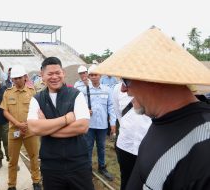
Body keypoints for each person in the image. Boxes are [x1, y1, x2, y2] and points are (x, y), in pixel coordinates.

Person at [94, 26, 210, 190]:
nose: (123, 89)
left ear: (156, 80)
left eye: (126, 80)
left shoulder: (204, 146)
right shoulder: (161, 121)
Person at [27, 57, 94, 190]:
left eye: (58, 73)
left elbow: (83, 126)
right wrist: (66, 119)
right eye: (50, 74)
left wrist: (47, 127)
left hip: (78, 162)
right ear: (42, 75)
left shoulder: (76, 95)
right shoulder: (37, 99)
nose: (55, 77)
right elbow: (34, 128)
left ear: (63, 73)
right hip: (51, 165)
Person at [0, 65, 41, 190]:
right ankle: (11, 185)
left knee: (34, 157)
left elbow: (37, 110)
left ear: (24, 77)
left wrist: (28, 124)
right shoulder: (8, 93)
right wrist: (17, 124)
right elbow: (5, 111)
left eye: (19, 78)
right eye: (14, 78)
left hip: (30, 131)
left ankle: (36, 182)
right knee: (12, 160)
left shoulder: (32, 91)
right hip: (14, 131)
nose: (16, 80)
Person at [112, 82, 151, 190]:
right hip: (125, 144)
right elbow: (118, 112)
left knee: (145, 182)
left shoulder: (152, 86)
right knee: (126, 179)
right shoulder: (117, 88)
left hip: (146, 145)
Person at [83, 64, 116, 181]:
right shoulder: (85, 91)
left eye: (95, 75)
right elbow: (80, 107)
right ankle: (87, 168)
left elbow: (111, 107)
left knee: (101, 147)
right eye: (91, 75)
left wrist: (113, 123)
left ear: (100, 75)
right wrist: (86, 110)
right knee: (88, 147)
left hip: (102, 125)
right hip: (90, 125)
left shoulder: (108, 90)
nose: (93, 77)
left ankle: (102, 167)